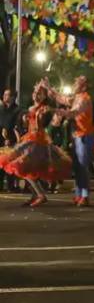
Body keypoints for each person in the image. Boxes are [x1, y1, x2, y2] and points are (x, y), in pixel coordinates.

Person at [0, 80, 72, 208]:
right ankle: (35, 195)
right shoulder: (31, 108)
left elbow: (40, 126)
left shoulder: (43, 109)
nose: (36, 94)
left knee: (22, 167)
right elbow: (28, 125)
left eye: (40, 93)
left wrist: (38, 118)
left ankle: (40, 194)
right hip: (29, 139)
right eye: (35, 92)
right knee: (26, 168)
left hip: (37, 141)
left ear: (44, 96)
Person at [51, 76, 94, 207]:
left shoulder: (85, 99)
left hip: (85, 135)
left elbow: (73, 113)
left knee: (82, 167)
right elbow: (63, 99)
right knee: (77, 167)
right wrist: (50, 90)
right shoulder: (77, 98)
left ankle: (85, 196)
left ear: (83, 86)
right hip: (77, 135)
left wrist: (56, 111)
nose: (74, 83)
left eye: (77, 82)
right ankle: (79, 194)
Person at [0, 89, 21, 193]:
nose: (4, 96)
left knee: (9, 164)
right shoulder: (1, 108)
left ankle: (10, 186)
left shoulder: (17, 110)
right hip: (1, 139)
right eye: (4, 94)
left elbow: (16, 126)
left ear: (13, 97)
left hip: (11, 139)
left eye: (7, 95)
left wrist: (10, 138)